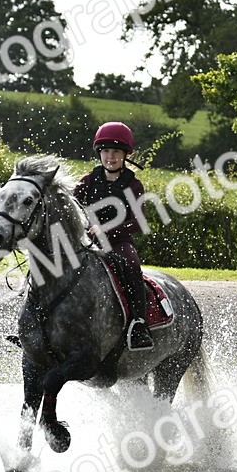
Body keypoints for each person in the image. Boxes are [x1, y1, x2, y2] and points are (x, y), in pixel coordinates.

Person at [74, 121, 155, 351]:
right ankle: (38, 318)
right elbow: (72, 207)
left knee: (132, 265)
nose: (111, 156)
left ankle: (139, 324)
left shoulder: (134, 185)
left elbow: (138, 222)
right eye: (106, 151)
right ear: (99, 153)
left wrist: (106, 229)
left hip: (119, 242)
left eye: (116, 151)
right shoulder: (87, 180)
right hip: (86, 240)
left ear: (125, 155)